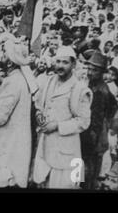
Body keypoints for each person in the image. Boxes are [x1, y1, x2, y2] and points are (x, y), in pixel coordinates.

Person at [33, 46, 92, 189]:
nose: (60, 66)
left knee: (65, 185)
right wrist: (39, 116)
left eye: (65, 62)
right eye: (58, 61)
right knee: (42, 182)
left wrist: (58, 126)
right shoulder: (48, 81)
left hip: (67, 150)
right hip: (46, 145)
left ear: (73, 64)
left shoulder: (80, 89)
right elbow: (39, 105)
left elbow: (84, 122)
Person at [0, 36, 32, 188]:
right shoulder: (19, 79)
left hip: (9, 141)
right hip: (13, 138)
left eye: (4, 54)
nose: (0, 56)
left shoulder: (13, 82)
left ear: (10, 61)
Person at [81, 51, 118, 190]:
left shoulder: (101, 90)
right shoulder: (91, 84)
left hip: (92, 139)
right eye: (89, 68)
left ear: (102, 72)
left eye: (94, 70)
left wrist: (92, 138)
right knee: (78, 172)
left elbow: (97, 119)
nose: (90, 72)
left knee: (87, 174)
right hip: (87, 135)